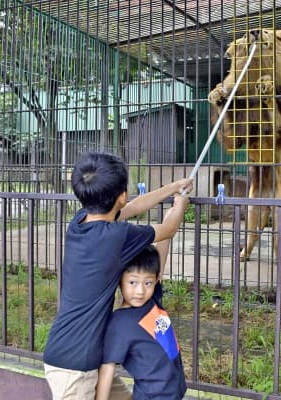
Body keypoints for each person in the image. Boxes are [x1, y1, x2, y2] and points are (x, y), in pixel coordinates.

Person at [43, 152, 192, 400]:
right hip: (75, 366)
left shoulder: (79, 223)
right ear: (121, 196)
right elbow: (168, 229)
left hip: (77, 352)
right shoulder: (117, 236)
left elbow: (132, 207)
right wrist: (180, 204)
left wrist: (173, 187)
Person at [96, 218, 186, 400]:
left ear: (156, 279)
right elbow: (107, 368)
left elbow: (163, 242)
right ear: (119, 279)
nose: (140, 290)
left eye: (148, 282)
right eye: (132, 282)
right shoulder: (118, 324)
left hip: (174, 392)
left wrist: (174, 213)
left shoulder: (151, 299)